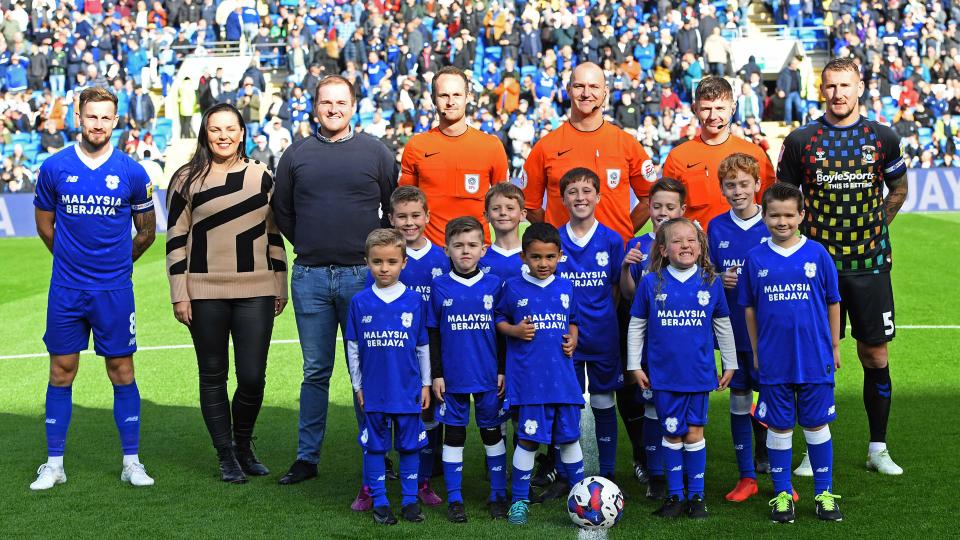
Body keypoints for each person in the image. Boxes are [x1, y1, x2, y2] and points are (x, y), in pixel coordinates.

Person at [777, 57, 908, 476]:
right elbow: (784, 194)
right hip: (815, 269)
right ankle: (808, 450)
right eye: (831, 86)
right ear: (822, 90)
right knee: (813, 359)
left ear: (860, 87)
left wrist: (876, 226)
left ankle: (878, 448)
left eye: (845, 86)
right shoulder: (802, 140)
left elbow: (899, 187)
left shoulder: (883, 136)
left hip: (869, 266)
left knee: (874, 353)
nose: (838, 94)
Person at [271, 76, 398, 489]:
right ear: (314, 106)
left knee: (368, 368)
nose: (333, 109)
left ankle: (377, 450)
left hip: (362, 279)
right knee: (315, 371)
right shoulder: (296, 155)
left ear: (353, 105)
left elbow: (392, 209)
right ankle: (307, 457)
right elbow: (284, 213)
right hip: (309, 277)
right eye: (326, 102)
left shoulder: (376, 152)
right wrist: (311, 242)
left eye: (340, 102)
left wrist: (368, 253)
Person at [30, 87, 156, 490]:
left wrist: (117, 265)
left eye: (106, 117)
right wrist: (71, 259)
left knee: (122, 370)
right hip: (66, 288)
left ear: (116, 121)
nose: (98, 124)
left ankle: (131, 462)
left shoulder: (134, 172)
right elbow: (45, 225)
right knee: (61, 371)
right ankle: (54, 464)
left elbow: (147, 232)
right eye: (91, 116)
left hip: (114, 290)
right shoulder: (54, 167)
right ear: (78, 119)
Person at [165, 103, 288, 484]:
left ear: (242, 132)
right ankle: (226, 456)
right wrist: (179, 293)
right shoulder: (185, 179)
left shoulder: (261, 176)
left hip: (256, 289)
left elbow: (274, 234)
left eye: (230, 128)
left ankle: (244, 444)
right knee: (213, 374)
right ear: (205, 134)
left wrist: (279, 284)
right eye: (215, 129)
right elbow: (175, 238)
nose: (223, 136)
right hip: (203, 291)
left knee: (252, 377)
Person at [739, 183, 843, 523]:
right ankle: (783, 495)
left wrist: (835, 345)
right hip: (774, 359)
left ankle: (824, 494)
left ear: (801, 215)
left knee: (816, 425)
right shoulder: (755, 258)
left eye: (788, 215)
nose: (781, 221)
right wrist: (756, 351)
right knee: (779, 427)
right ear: (764, 217)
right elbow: (750, 309)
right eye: (774, 215)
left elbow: (832, 301)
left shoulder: (817, 254)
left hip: (814, 356)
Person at [626, 217, 737, 519]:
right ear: (663, 249)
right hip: (663, 376)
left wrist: (730, 363)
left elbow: (723, 325)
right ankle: (675, 496)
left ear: (701, 247)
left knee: (694, 433)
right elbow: (637, 325)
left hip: (699, 374)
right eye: (677, 241)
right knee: (672, 434)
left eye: (691, 240)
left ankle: (697, 497)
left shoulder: (710, 281)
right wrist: (634, 365)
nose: (685, 245)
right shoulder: (651, 282)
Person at [356, 186, 449, 509]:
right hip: (386, 360)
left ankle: (423, 481)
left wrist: (433, 370)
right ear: (391, 218)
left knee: (427, 417)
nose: (409, 222)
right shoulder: (381, 261)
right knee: (380, 421)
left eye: (415, 215)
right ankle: (372, 486)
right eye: (401, 216)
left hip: (427, 348)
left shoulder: (441, 258)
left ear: (426, 217)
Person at [495, 222, 584, 526]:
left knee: (570, 439)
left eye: (549, 257)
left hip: (563, 380)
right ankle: (519, 500)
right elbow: (498, 319)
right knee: (528, 440)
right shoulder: (512, 286)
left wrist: (573, 338)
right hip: (530, 381)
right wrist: (515, 330)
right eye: (536, 257)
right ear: (524, 257)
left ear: (560, 256)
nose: (543, 264)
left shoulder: (565, 286)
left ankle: (581, 495)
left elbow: (573, 321)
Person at [346, 228, 431, 526]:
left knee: (409, 445)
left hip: (407, 389)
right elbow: (352, 348)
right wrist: (358, 385)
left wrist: (425, 384)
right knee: (375, 446)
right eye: (378, 262)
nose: (385, 268)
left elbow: (422, 346)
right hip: (374, 390)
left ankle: (409, 501)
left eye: (392, 261)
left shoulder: (414, 301)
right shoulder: (359, 302)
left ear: (403, 263)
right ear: (367, 262)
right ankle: (381, 501)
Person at [429, 216, 509, 522]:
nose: (466, 251)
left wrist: (502, 368)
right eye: (458, 245)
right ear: (447, 249)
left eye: (472, 245)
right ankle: (455, 498)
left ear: (483, 249)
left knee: (491, 433)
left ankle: (497, 495)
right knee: (454, 435)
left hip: (488, 375)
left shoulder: (494, 285)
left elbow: (502, 330)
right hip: (453, 377)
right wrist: (437, 373)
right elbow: (433, 332)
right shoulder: (439, 286)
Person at [523, 62, 656, 242]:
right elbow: (529, 205)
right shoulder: (546, 146)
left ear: (605, 92)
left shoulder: (627, 144)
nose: (586, 93)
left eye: (594, 87)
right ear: (568, 89)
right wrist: (555, 235)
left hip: (613, 259)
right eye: (579, 86)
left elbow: (650, 199)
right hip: (563, 260)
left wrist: (622, 233)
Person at [707, 154, 773, 502]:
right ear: (722, 189)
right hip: (732, 331)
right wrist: (719, 278)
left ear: (758, 185)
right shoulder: (716, 227)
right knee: (738, 398)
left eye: (744, 184)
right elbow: (706, 275)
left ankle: (779, 477)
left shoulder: (773, 222)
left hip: (770, 333)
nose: (737, 191)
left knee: (775, 401)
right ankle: (746, 476)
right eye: (730, 185)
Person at [618, 177, 688, 500]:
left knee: (683, 408)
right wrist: (624, 270)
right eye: (656, 206)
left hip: (682, 343)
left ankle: (684, 467)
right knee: (650, 408)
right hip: (650, 345)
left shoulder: (691, 242)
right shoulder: (637, 244)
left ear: (681, 209)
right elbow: (632, 299)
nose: (662, 212)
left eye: (669, 207)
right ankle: (655, 473)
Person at [555, 168, 624, 482]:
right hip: (563, 339)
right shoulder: (554, 239)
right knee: (566, 403)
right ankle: (565, 472)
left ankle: (607, 471)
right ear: (563, 198)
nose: (580, 197)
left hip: (602, 336)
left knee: (602, 400)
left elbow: (615, 288)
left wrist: (599, 317)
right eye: (572, 192)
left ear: (598, 196)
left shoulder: (611, 239)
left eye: (586, 191)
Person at [399, 66, 509, 245]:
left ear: (468, 97)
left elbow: (505, 206)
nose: (450, 101)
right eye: (444, 95)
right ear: (434, 99)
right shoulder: (416, 146)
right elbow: (405, 205)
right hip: (430, 254)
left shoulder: (491, 146)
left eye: (457, 95)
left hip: (476, 255)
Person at [659, 76, 776, 232]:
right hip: (697, 251)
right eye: (706, 109)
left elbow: (770, 209)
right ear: (695, 109)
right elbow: (668, 216)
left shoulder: (755, 154)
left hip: (746, 251)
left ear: (733, 108)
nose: (713, 116)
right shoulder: (677, 157)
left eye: (720, 108)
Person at [479, 182, 527, 281]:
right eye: (496, 208)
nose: (503, 213)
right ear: (486, 216)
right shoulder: (479, 258)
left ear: (522, 214)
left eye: (510, 208)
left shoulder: (533, 257)